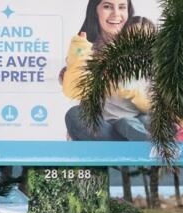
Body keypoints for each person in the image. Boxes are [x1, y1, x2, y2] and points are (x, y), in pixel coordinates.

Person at [61, 0, 151, 141]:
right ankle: (131, 153)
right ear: (95, 11)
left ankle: (134, 150)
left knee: (147, 119)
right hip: (104, 127)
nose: (116, 14)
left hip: (135, 124)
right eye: (107, 6)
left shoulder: (141, 46)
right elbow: (74, 90)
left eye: (122, 7)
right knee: (75, 115)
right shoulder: (84, 47)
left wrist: (130, 90)